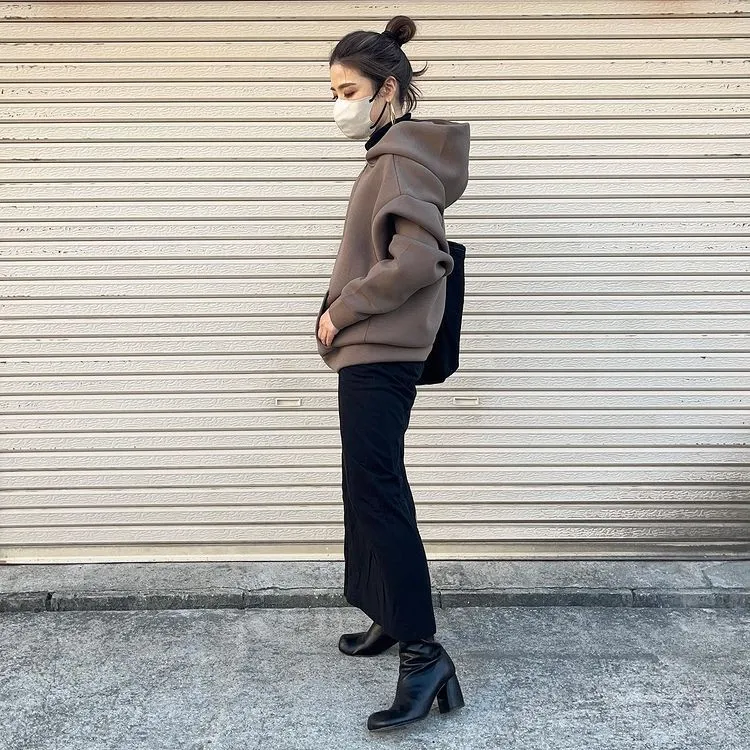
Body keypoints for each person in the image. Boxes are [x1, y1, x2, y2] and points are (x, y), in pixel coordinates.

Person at [314, 14, 470, 732]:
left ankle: (424, 656)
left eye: (348, 92)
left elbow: (418, 260)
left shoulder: (400, 163)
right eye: (333, 93)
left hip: (379, 352)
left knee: (379, 495)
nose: (338, 106)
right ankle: (388, 613)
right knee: (368, 487)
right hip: (374, 352)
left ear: (388, 91)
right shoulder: (391, 158)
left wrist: (342, 310)